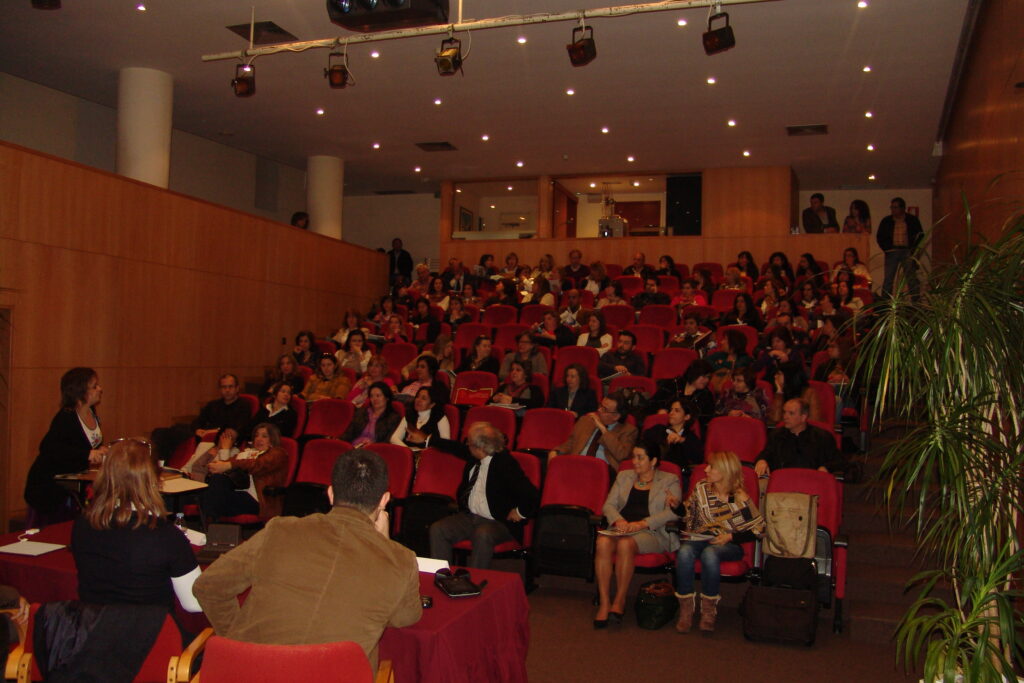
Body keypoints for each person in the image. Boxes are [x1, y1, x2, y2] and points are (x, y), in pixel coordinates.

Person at [194, 449, 421, 669]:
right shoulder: (401, 560)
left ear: (331, 494)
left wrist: (237, 641)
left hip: (249, 671)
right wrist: (384, 544)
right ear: (384, 500)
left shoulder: (280, 530)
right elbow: (405, 617)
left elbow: (209, 586)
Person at [71, 438, 202, 612]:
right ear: (155, 480)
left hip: (94, 625)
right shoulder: (165, 535)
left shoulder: (83, 524)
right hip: (151, 628)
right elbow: (194, 604)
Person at [671, 451, 764, 633]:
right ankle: (686, 609)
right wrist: (677, 507)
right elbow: (688, 513)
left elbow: (760, 529)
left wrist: (730, 537)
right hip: (701, 537)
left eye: (711, 467)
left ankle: (708, 611)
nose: (706, 470)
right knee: (684, 552)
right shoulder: (702, 488)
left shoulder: (739, 497)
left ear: (724, 471)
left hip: (729, 544)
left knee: (710, 554)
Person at [429, 422, 540, 569]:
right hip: (470, 517)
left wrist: (520, 512)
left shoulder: (505, 464)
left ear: (479, 448)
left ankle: (475, 579)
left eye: (469, 443)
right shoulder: (476, 456)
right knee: (438, 529)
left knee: (482, 534)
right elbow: (455, 448)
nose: (467, 446)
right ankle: (442, 575)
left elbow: (531, 494)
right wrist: (428, 439)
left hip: (498, 521)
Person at [593, 443, 681, 628]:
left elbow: (673, 513)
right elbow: (608, 505)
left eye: (640, 457)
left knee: (626, 543)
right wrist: (619, 520)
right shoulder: (624, 476)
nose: (635, 461)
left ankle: (620, 600)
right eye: (634, 457)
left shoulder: (669, 480)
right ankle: (604, 602)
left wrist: (643, 523)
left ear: (653, 461)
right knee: (602, 542)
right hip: (623, 527)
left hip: (651, 532)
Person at [25, 368, 108, 521]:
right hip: (50, 486)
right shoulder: (66, 417)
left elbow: (82, 442)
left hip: (72, 482)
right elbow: (49, 449)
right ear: (81, 392)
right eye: (94, 386)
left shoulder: (91, 411)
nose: (100, 389)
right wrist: (87, 454)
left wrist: (98, 450)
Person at [201, 423, 289, 521]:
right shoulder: (246, 453)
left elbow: (257, 465)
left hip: (258, 500)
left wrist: (228, 465)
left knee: (211, 498)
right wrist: (217, 465)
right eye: (256, 436)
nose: (258, 439)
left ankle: (208, 522)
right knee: (215, 482)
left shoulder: (278, 453)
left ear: (273, 438)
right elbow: (226, 465)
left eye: (264, 436)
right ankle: (209, 521)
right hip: (238, 494)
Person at [549, 392, 638, 470]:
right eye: (600, 405)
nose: (599, 410)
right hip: (577, 464)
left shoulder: (629, 431)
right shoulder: (586, 420)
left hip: (602, 471)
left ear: (616, 416)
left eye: (604, 409)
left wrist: (603, 429)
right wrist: (557, 451)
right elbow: (571, 443)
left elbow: (622, 455)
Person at [755, 399, 843, 476]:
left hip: (812, 482)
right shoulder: (776, 435)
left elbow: (839, 461)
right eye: (784, 412)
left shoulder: (822, 437)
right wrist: (762, 460)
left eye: (791, 413)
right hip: (782, 482)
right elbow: (766, 453)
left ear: (803, 417)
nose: (785, 417)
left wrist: (826, 467)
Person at [877, 196, 924, 297]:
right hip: (892, 251)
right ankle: (885, 302)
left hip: (907, 251)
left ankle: (915, 300)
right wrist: (887, 248)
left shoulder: (912, 220)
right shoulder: (887, 221)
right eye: (892, 207)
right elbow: (880, 236)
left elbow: (920, 235)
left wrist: (914, 250)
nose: (893, 210)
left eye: (895, 207)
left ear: (902, 208)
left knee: (911, 278)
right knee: (889, 278)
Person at [643, 399, 704, 474]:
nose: (671, 413)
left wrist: (682, 440)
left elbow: (698, 459)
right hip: (653, 471)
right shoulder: (658, 429)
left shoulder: (690, 438)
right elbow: (644, 444)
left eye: (677, 411)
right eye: (671, 410)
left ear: (687, 417)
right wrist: (664, 440)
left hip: (678, 475)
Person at [652, 359, 715, 428]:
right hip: (661, 425)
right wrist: (661, 411)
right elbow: (652, 404)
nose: (707, 380)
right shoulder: (672, 385)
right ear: (694, 374)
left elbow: (705, 421)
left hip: (688, 430)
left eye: (708, 377)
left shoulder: (706, 396)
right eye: (703, 376)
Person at [191, 373, 251, 442]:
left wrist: (213, 431)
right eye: (224, 387)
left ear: (237, 388)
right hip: (209, 439)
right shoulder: (213, 405)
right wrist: (198, 429)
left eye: (230, 387)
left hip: (230, 441)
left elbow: (238, 428)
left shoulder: (243, 405)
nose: (227, 390)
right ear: (220, 389)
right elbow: (198, 421)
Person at [342, 382, 403, 448]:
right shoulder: (361, 413)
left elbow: (388, 441)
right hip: (354, 446)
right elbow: (349, 433)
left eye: (378, 396)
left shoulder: (393, 418)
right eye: (371, 396)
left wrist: (373, 445)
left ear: (387, 398)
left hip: (374, 450)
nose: (375, 399)